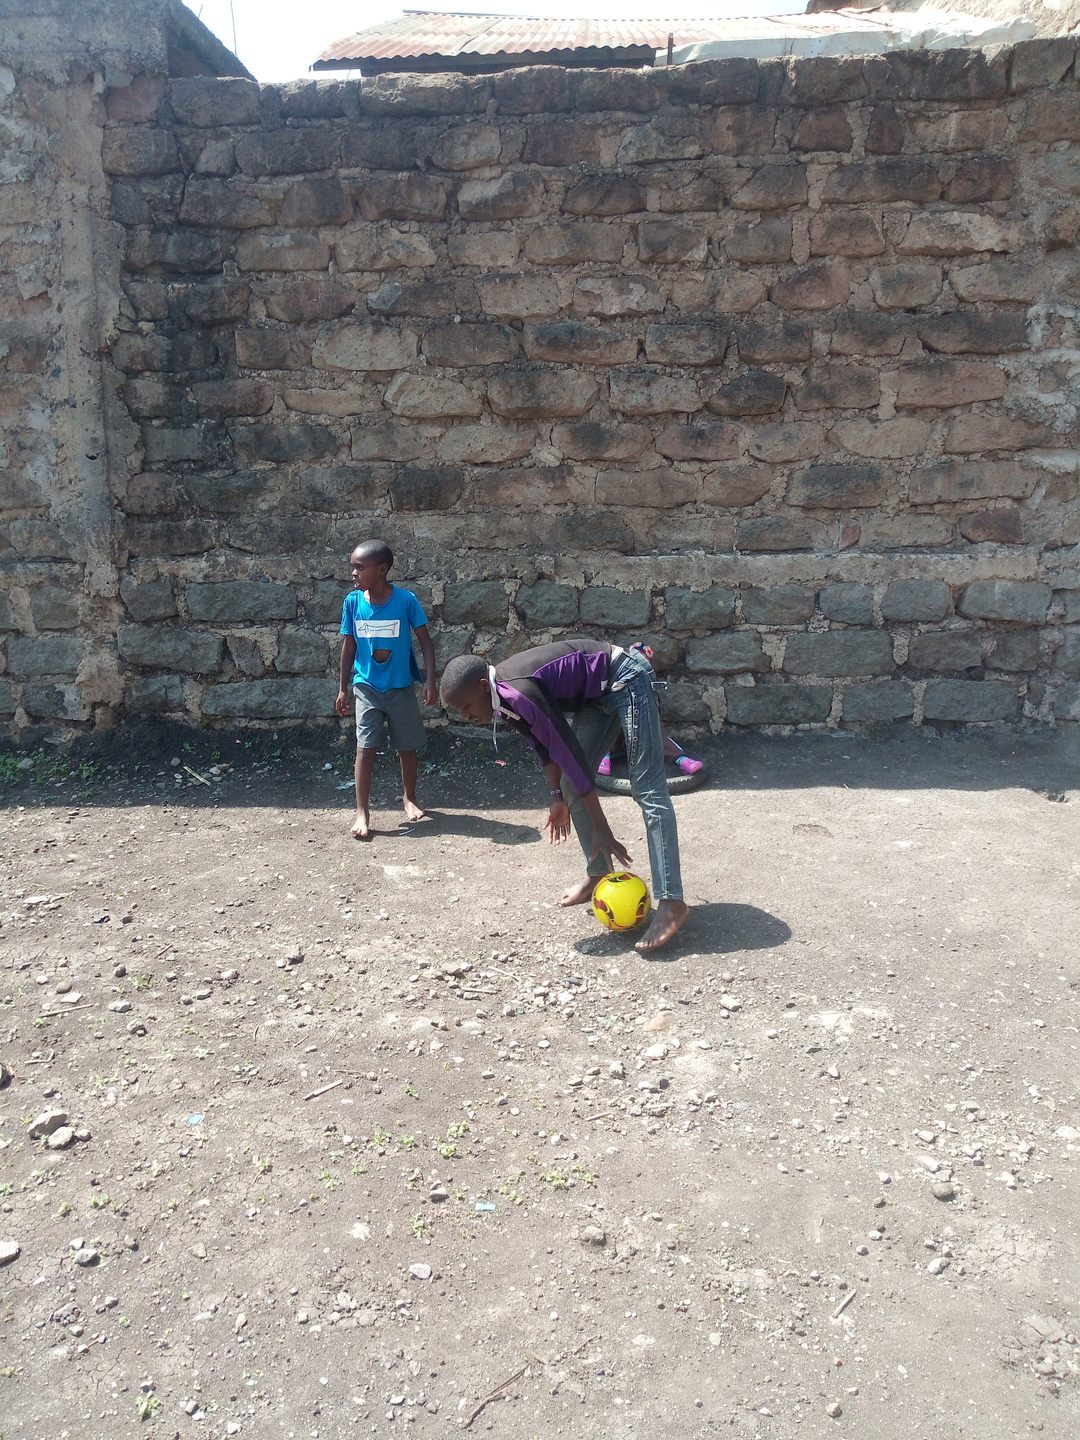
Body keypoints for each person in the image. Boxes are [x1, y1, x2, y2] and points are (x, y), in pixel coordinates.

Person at [440, 639, 690, 955]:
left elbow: (567, 752)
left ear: (480, 686)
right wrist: (557, 796)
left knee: (648, 789)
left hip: (626, 679)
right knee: (571, 786)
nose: (466, 716)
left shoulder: (518, 691)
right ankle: (599, 873)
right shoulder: (500, 697)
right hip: (596, 696)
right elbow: (542, 744)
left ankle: (671, 902)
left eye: (465, 707)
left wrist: (601, 826)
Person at [335, 540, 437, 840]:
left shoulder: (405, 601)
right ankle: (362, 811)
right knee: (365, 747)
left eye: (360, 567)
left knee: (407, 746)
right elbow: (348, 647)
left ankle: (409, 797)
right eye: (353, 567)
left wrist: (430, 680)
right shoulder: (353, 603)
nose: (354, 573)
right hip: (366, 687)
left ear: (382, 569)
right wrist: (343, 688)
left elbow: (426, 642)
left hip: (400, 687)